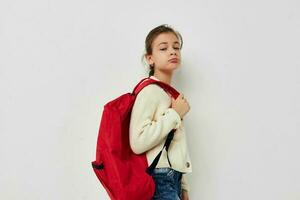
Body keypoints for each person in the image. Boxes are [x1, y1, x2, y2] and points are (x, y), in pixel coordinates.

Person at [129, 24, 192, 200]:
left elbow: (174, 144)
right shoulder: (149, 92)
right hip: (160, 178)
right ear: (150, 58)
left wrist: (184, 186)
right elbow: (137, 142)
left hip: (174, 178)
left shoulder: (168, 94)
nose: (172, 52)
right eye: (163, 48)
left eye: (176, 47)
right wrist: (174, 114)